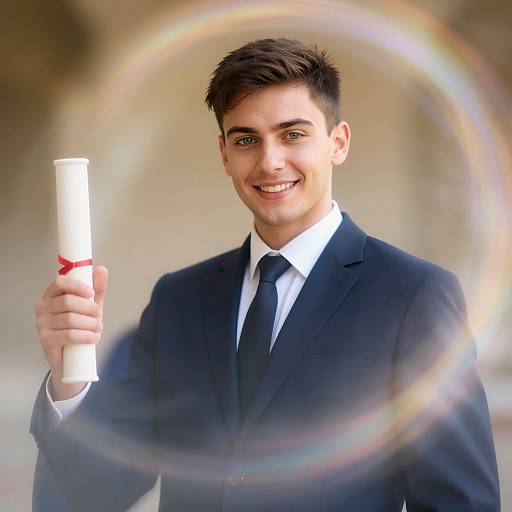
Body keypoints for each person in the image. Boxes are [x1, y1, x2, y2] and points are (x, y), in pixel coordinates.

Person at [31, 38, 500, 511]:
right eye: (246, 139)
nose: (269, 161)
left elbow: (460, 502)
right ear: (224, 154)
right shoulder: (179, 300)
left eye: (292, 134)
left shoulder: (412, 296)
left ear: (337, 143)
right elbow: (101, 489)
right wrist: (69, 379)